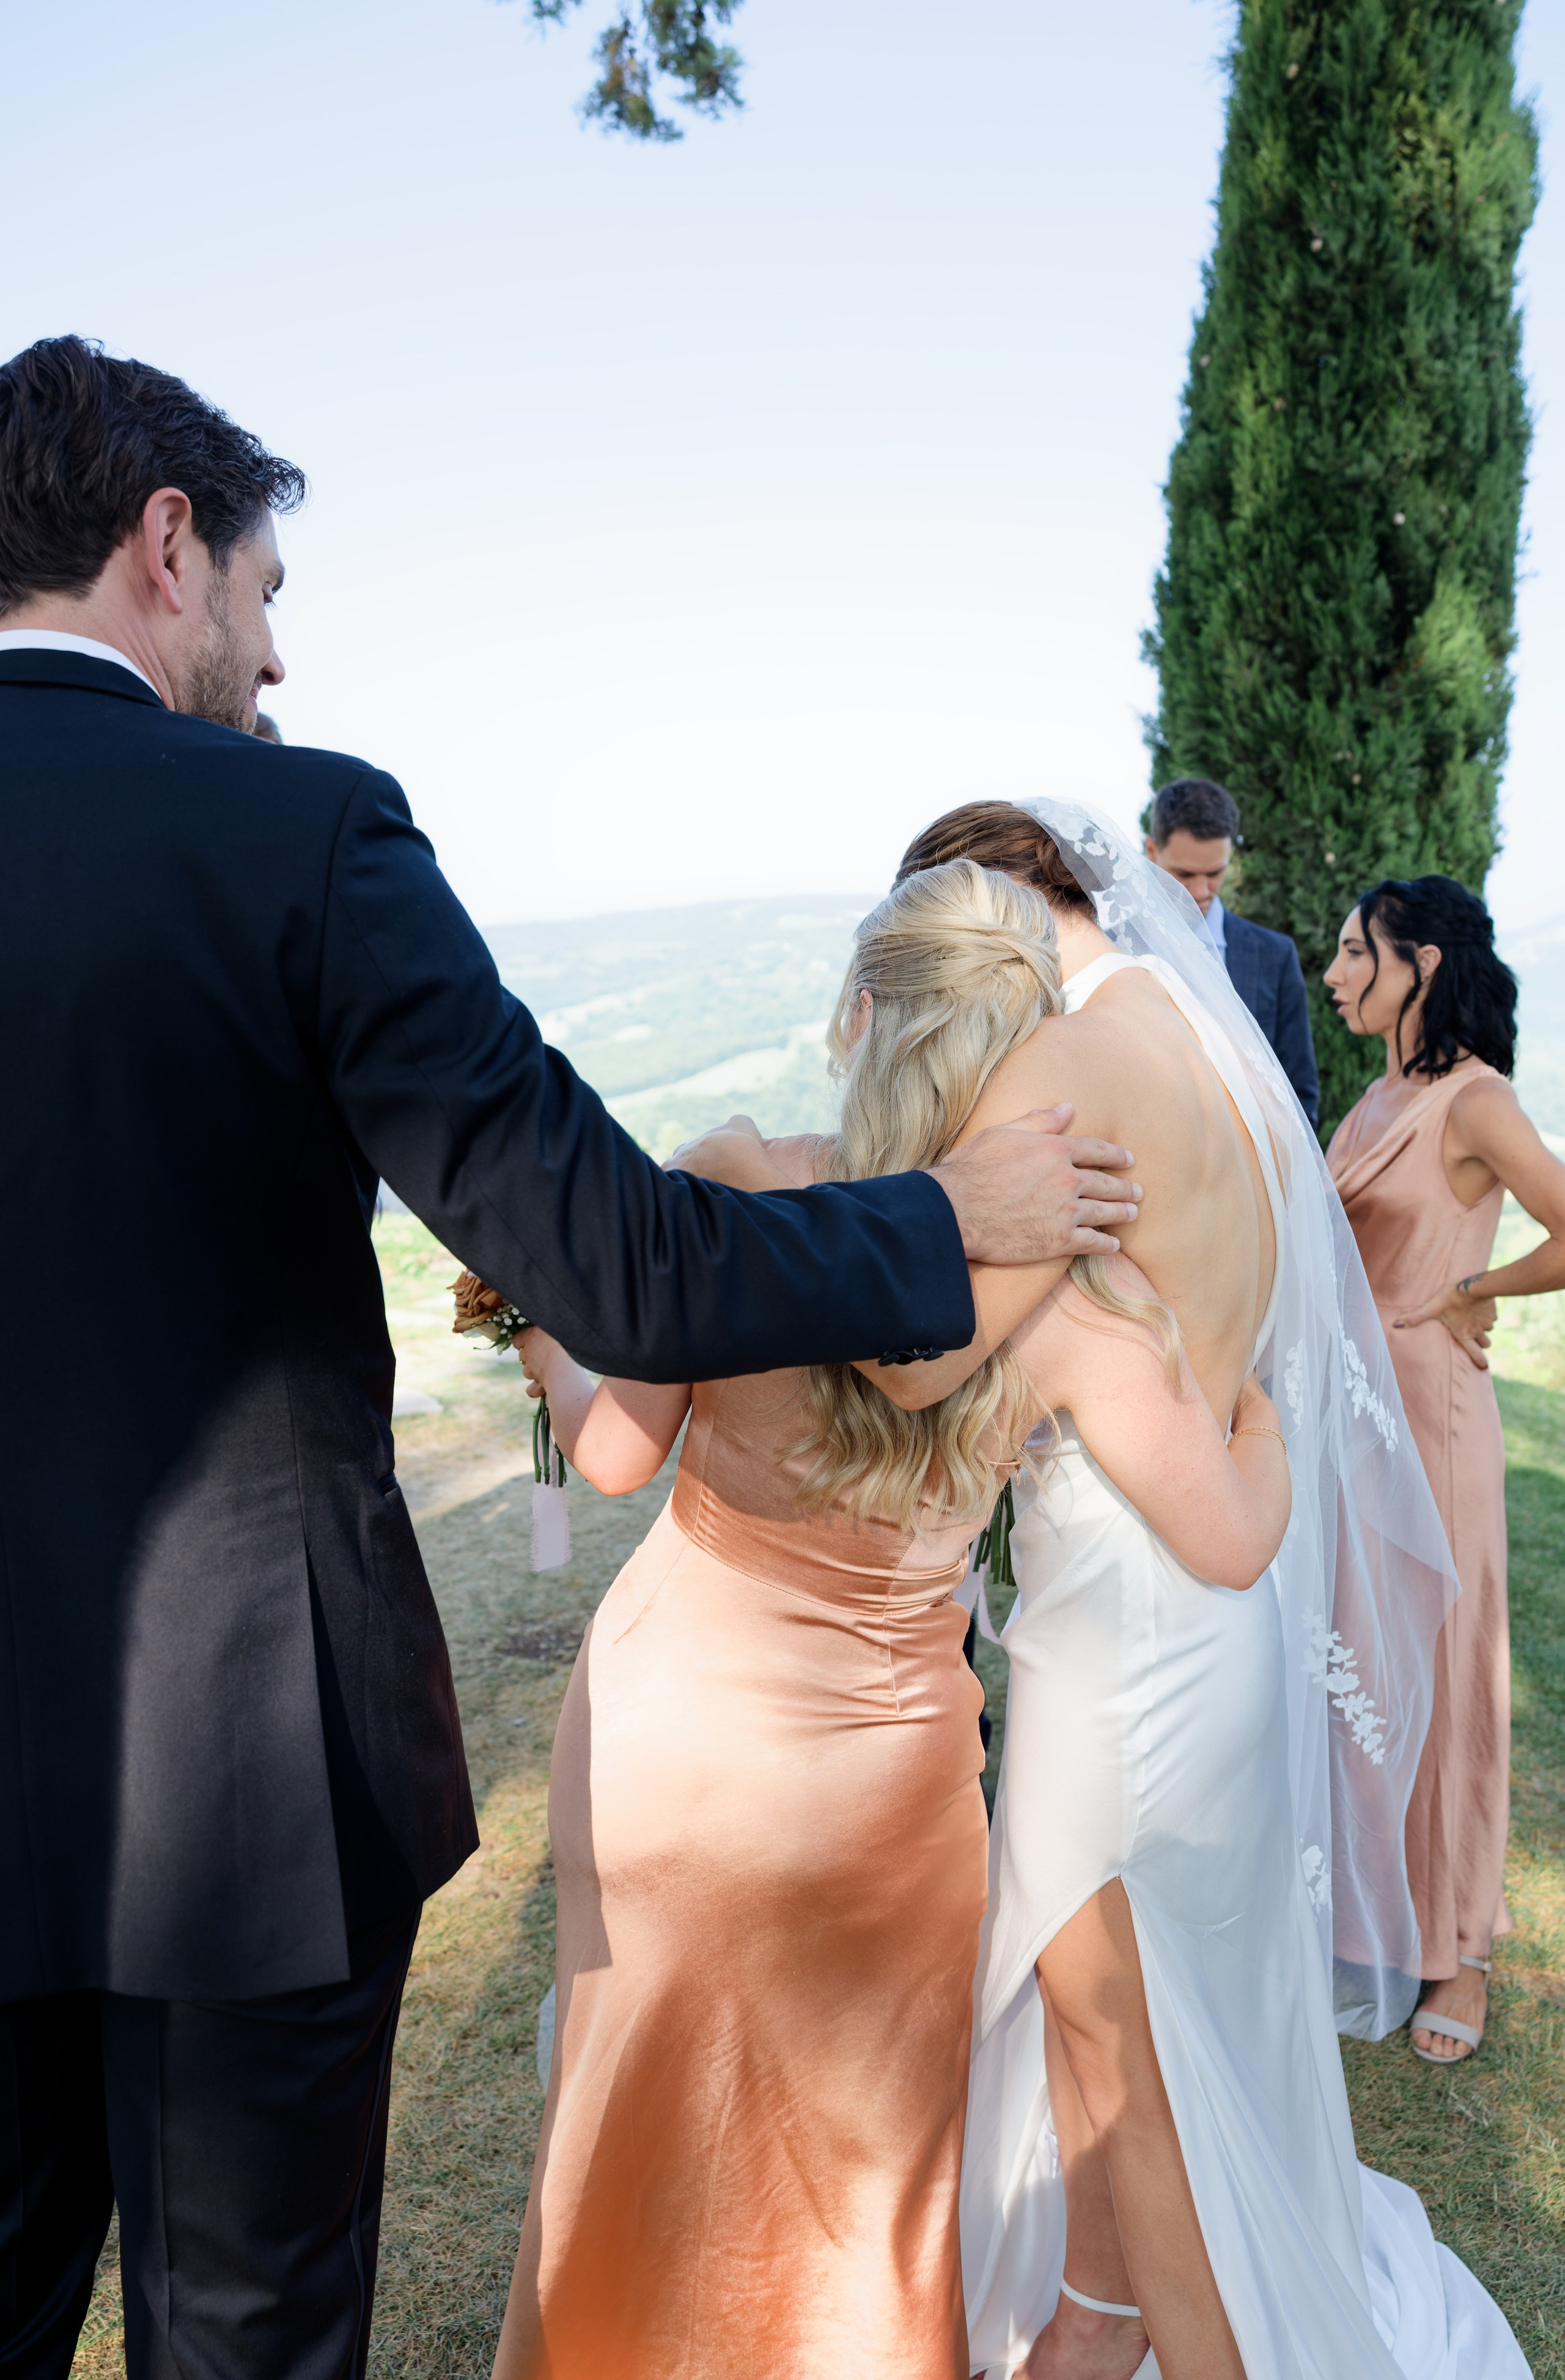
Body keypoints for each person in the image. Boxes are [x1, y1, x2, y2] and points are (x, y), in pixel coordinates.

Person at [0, 337, 1140, 2380]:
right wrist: (944, 1222)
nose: (269, 666)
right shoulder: (293, 838)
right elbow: (611, 1258)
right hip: (246, 1776)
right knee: (243, 2338)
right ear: (166, 548)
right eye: (265, 600)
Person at [488, 862, 1292, 2380]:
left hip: (685, 1742)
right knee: (859, 2184)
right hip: (892, 1791)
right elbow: (1220, 1517)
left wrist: (543, 1329)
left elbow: (605, 1452)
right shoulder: (1051, 1273)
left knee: (644, 2117)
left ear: (858, 1013)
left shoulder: (737, 1174)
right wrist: (1261, 1419)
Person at [883, 805, 1521, 2378]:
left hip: (1120, 1652)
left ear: (1009, 915)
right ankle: (1087, 2342)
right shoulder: (1204, 1043)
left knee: (1119, 2074)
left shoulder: (1059, 1073)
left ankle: (1155, 2346)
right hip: (1215, 1615)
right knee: (1154, 2048)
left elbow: (913, 1364)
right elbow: (1230, 1338)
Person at [1326, 877, 1565, 2066]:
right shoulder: (1371, 1096)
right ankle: (1376, 1903)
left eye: (1351, 952)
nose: (1331, 974)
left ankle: (1460, 1944)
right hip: (1348, 1420)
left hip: (1435, 1419)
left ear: (1415, 962)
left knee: (1450, 1669)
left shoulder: (1474, 1100)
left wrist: (1475, 1290)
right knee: (1363, 1659)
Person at [1144, 776, 1320, 1126]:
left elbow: (1300, 1092)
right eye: (1185, 873)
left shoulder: (1275, 955)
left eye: (1215, 873)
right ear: (1152, 851)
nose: (1201, 890)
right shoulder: (1108, 944)